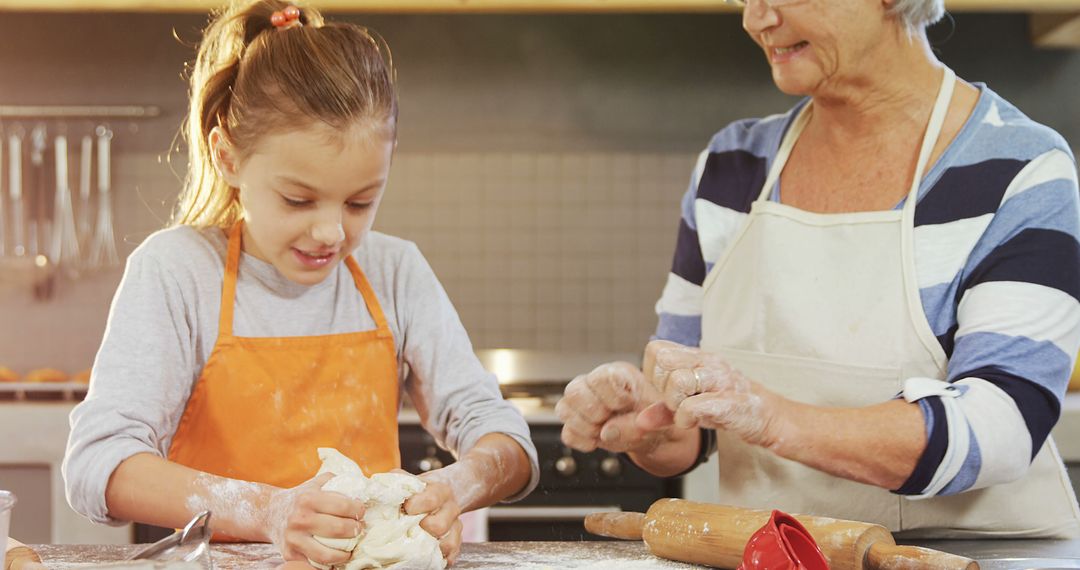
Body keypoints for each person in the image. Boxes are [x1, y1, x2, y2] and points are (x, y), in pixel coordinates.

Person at [556, 0, 1080, 538]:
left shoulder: (1020, 168)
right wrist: (648, 422)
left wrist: (773, 418)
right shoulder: (732, 167)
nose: (756, 19)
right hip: (775, 554)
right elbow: (690, 421)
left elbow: (1003, 425)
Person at [61, 1, 539, 566]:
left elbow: (503, 435)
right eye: (298, 199)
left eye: (361, 201)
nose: (331, 231)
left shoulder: (395, 272)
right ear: (227, 158)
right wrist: (269, 510)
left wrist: (456, 489)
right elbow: (98, 463)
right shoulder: (178, 272)